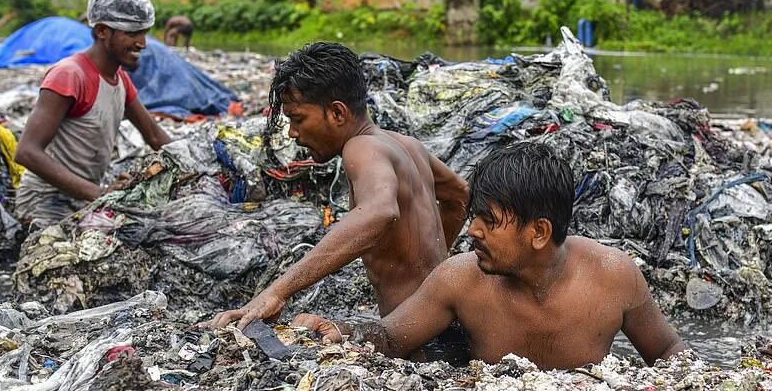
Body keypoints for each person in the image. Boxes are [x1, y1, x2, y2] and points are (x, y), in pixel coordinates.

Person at [293, 142, 686, 370]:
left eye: (490, 221)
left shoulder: (614, 277)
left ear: (538, 232)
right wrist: (343, 331)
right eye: (474, 216)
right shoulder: (461, 279)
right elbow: (393, 338)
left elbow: (669, 353)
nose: (472, 231)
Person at [204, 42, 469, 330]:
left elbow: (380, 211)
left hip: (417, 336)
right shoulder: (407, 145)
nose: (292, 132)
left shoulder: (361, 147)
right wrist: (434, 270)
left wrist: (277, 291)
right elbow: (460, 195)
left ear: (337, 113)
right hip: (442, 323)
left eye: (298, 119)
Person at [15, 0, 171, 226]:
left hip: (83, 198)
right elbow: (27, 152)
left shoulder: (120, 81)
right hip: (46, 203)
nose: (142, 43)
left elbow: (154, 136)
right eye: (131, 33)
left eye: (143, 32)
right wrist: (100, 194)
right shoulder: (69, 75)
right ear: (101, 31)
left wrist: (198, 163)